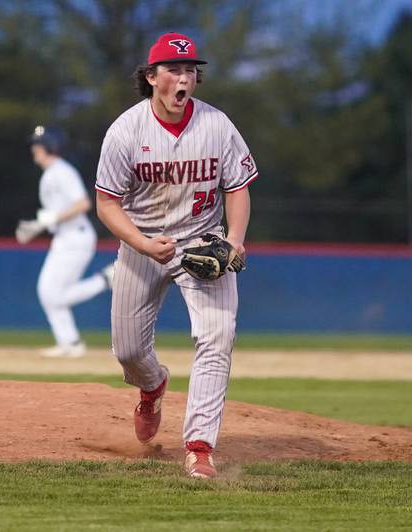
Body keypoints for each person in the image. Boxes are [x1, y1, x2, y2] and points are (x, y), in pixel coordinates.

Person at [94, 33, 257, 478]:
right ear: (150, 78)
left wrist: (236, 240)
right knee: (127, 350)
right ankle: (152, 385)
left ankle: (200, 446)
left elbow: (237, 188)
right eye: (173, 69)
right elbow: (107, 202)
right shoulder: (126, 130)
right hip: (142, 243)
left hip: (204, 242)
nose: (183, 77)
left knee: (216, 337)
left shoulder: (216, 125)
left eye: (189, 70)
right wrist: (143, 244)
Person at [16, 125, 114, 358]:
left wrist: (49, 219)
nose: (34, 148)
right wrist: (39, 225)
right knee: (49, 292)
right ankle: (70, 342)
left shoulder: (61, 171)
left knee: (51, 293)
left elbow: (83, 204)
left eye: (38, 144)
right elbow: (59, 211)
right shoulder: (51, 173)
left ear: (48, 146)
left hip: (76, 237)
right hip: (66, 237)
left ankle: (105, 280)